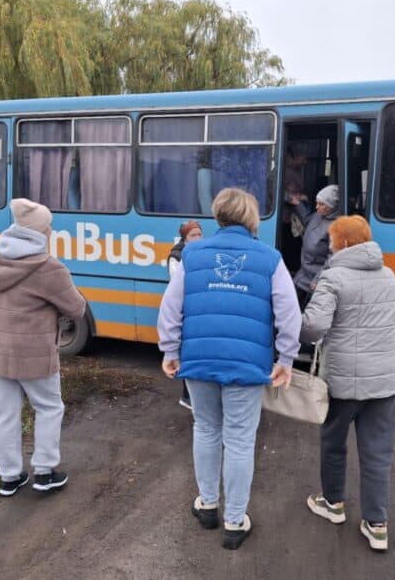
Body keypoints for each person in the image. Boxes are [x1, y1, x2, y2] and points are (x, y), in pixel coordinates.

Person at [157, 188, 301, 550]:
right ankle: (235, 522)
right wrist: (285, 360)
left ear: (218, 215)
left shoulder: (192, 254)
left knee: (206, 428)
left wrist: (170, 350)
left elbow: (170, 308)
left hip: (198, 359)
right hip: (247, 363)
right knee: (239, 439)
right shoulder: (270, 258)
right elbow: (289, 314)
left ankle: (207, 505)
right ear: (251, 219)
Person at [300, 215, 395, 552]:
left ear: (345, 243)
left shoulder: (333, 277)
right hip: (385, 382)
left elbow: (313, 328)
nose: (329, 245)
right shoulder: (388, 275)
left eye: (332, 239)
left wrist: (294, 327)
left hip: (343, 382)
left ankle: (333, 504)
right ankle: (377, 525)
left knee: (334, 442)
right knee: (378, 452)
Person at [0, 198, 86, 497]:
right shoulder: (48, 267)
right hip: (34, 354)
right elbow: (77, 308)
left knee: (5, 413)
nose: (51, 230)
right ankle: (44, 471)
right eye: (48, 226)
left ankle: (9, 477)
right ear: (39, 231)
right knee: (49, 407)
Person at [167, 219, 204, 409]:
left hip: (199, 307)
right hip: (185, 310)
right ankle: (187, 396)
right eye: (193, 235)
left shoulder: (203, 251)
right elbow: (178, 285)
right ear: (185, 238)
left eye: (199, 234)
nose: (197, 238)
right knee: (187, 353)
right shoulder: (176, 256)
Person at [289, 184, 340, 306]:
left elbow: (333, 257)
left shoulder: (337, 226)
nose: (317, 207)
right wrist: (298, 204)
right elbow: (308, 220)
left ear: (332, 206)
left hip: (315, 275)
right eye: (317, 203)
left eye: (321, 204)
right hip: (304, 270)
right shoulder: (319, 215)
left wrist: (319, 278)